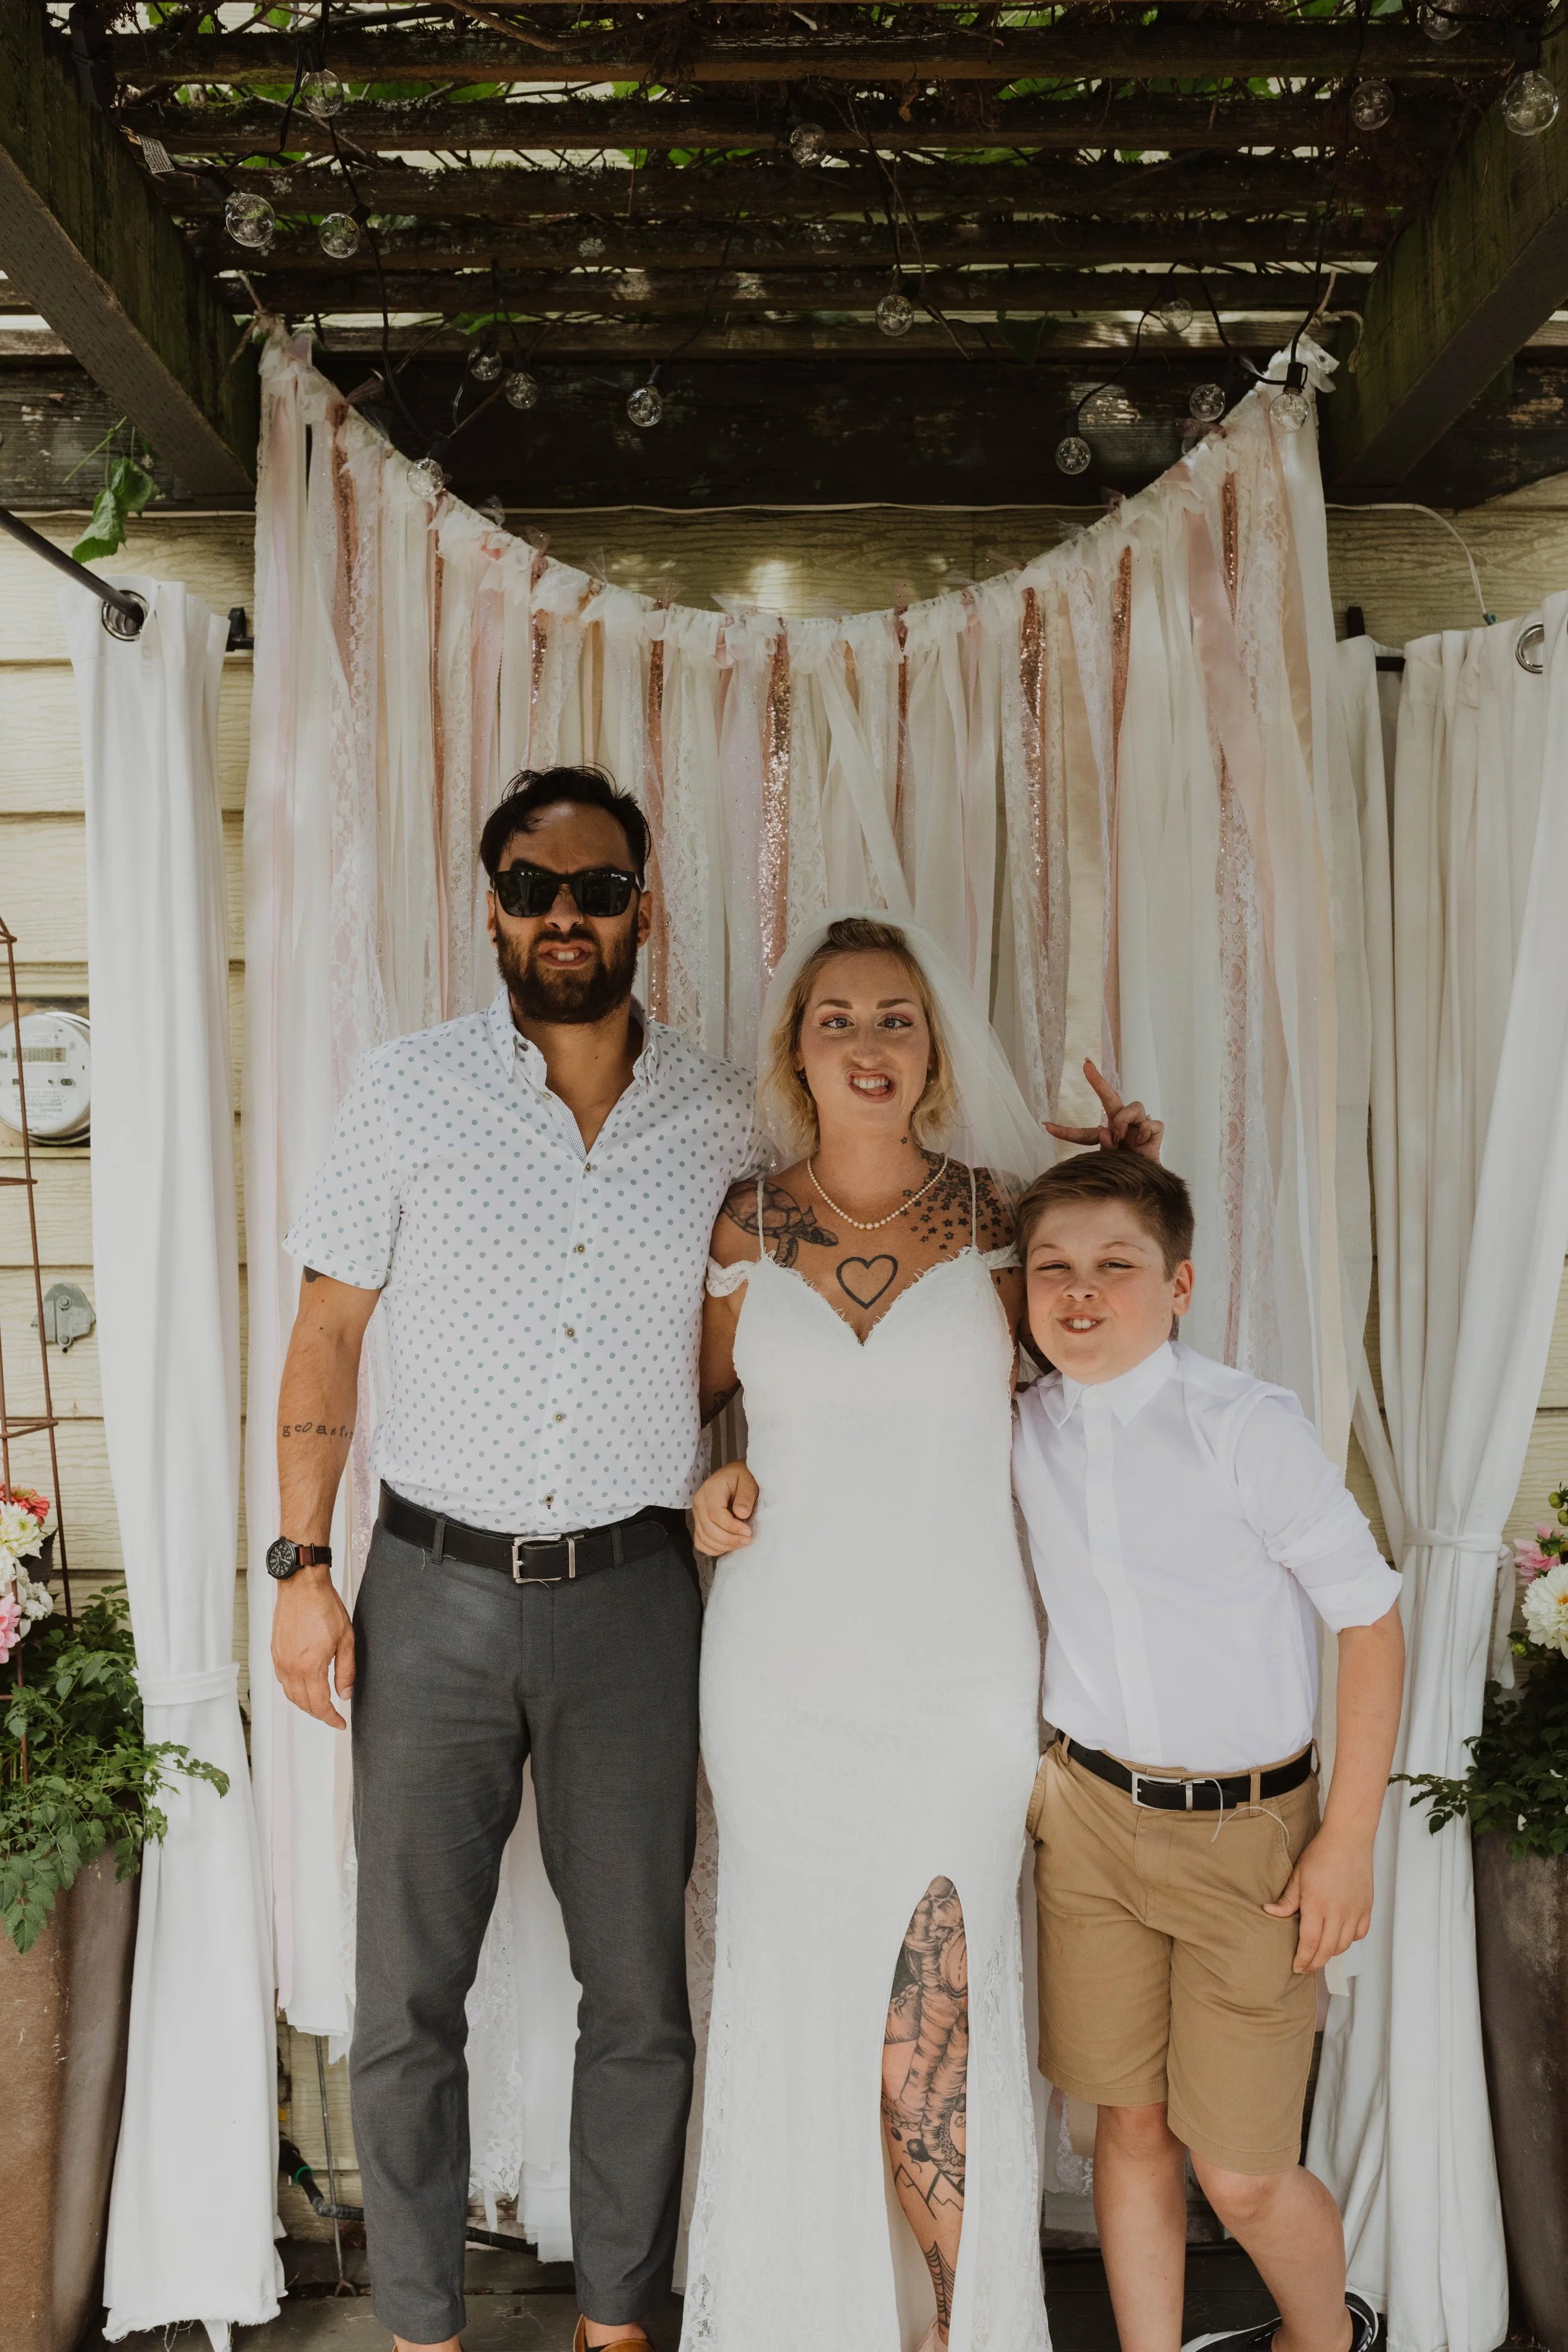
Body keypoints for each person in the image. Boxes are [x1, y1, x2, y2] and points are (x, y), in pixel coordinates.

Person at [266, 765, 760, 2352]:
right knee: (407, 1995)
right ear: (492, 909)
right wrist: (296, 1565)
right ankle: (420, 2330)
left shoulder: (723, 1111)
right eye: (534, 888)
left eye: (597, 886)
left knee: (639, 1996)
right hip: (429, 1595)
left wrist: (739, 1450)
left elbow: (749, 1336)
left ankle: (618, 2328)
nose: (565, 914)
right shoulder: (406, 1091)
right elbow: (326, 1336)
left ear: (640, 905)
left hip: (633, 1600)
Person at [682, 913, 1161, 2352]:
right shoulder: (739, 1224)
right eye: (835, 1019)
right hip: (777, 1675)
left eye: (894, 1018)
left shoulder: (1005, 1219)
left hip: (955, 1672)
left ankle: (957, 2331)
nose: (866, 1044)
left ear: (932, 1047)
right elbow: (692, 1410)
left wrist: (1118, 1178)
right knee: (800, 1994)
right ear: (796, 1050)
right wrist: (707, 1486)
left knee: (931, 2003)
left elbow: (1105, 1353)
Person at [1010, 1150, 1406, 2352]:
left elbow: (1371, 1620)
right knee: (1125, 2127)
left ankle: (1323, 2339)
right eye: (1053, 1269)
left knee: (1237, 2172)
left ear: (1179, 1286)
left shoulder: (1244, 1425)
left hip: (1254, 1844)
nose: (1081, 1293)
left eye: (1116, 1267)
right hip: (1085, 1817)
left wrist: (1347, 1837)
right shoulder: (1023, 1418)